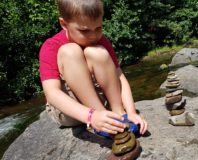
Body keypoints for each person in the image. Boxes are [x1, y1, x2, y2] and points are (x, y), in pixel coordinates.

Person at [39, 0, 147, 136]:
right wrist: (91, 116)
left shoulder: (101, 41)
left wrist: (130, 111)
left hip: (100, 98)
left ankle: (118, 113)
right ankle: (100, 116)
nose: (93, 36)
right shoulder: (51, 46)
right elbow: (52, 94)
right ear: (64, 24)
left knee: (97, 52)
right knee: (70, 51)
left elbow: (119, 76)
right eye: (84, 30)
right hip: (70, 109)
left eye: (98, 28)